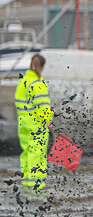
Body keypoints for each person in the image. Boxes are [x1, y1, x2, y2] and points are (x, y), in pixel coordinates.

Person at [15, 54, 54, 198]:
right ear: (42, 67)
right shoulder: (38, 84)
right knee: (37, 153)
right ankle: (37, 183)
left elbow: (18, 101)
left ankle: (27, 181)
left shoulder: (23, 81)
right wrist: (47, 121)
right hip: (36, 123)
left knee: (27, 152)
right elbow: (42, 106)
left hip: (23, 121)